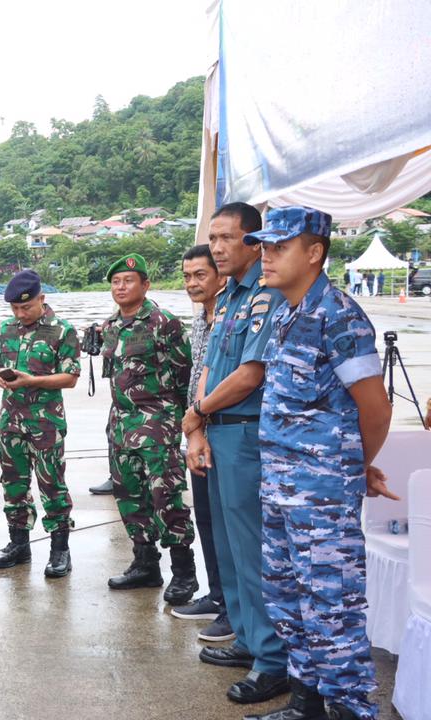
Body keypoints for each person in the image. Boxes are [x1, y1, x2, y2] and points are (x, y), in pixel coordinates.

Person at [249, 206, 393, 720]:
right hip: (281, 488)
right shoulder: (286, 312)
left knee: (332, 607)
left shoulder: (339, 315)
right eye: (263, 246)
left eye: (279, 247)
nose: (265, 256)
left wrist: (353, 466)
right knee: (288, 599)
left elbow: (376, 409)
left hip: (322, 494)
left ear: (314, 253)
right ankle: (306, 704)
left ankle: (350, 710)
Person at [184, 202, 290, 706]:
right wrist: (198, 426)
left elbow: (251, 374)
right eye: (214, 237)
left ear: (254, 241)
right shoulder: (228, 301)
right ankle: (247, 640)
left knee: (253, 553)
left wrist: (197, 411)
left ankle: (272, 661)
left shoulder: (266, 299)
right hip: (218, 431)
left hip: (248, 434)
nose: (218, 247)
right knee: (227, 548)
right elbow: (209, 365)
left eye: (228, 238)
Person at [98, 254, 196, 604]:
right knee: (129, 496)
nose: (121, 287)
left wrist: (185, 423)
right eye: (116, 282)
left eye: (128, 280)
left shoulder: (164, 323)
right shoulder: (111, 326)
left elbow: (186, 375)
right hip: (121, 425)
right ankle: (145, 564)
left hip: (157, 423)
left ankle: (184, 572)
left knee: (165, 496)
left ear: (145, 285)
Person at [0, 269, 80, 577]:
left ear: (42, 298)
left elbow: (71, 377)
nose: (20, 313)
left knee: (52, 483)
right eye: (14, 308)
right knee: (13, 482)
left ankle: (59, 549)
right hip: (10, 420)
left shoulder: (61, 330)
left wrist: (32, 380)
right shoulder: (5, 329)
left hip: (45, 422)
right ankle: (18, 544)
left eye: (26, 307)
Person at [169, 245, 236, 643]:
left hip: (225, 431)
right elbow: (196, 376)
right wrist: (193, 430)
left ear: (220, 277)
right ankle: (217, 595)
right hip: (200, 432)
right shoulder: (200, 319)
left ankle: (233, 609)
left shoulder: (231, 316)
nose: (192, 283)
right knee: (207, 519)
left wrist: (200, 420)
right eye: (187, 276)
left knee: (231, 527)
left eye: (200, 275)